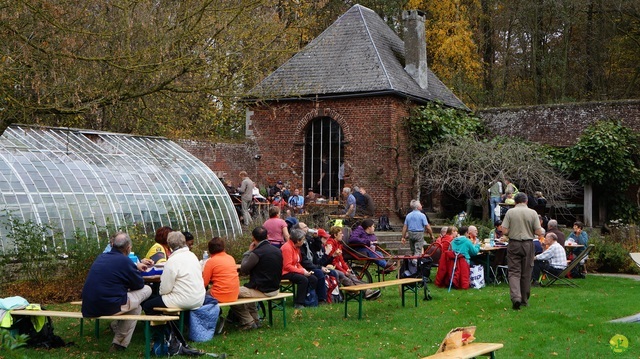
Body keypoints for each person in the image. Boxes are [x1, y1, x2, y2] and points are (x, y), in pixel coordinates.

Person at [81, 232, 153, 352]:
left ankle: (118, 344)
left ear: (112, 244)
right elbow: (139, 285)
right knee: (147, 289)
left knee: (136, 308)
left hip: (89, 306)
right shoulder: (125, 261)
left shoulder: (101, 257)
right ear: (128, 248)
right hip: (109, 305)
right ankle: (117, 332)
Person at [230, 226, 282, 330]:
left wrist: (248, 252)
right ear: (267, 236)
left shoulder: (257, 253)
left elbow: (244, 268)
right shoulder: (277, 251)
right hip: (275, 288)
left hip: (263, 290)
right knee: (248, 290)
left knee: (230, 292)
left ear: (253, 238)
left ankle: (248, 321)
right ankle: (256, 319)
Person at [142, 231, 205, 315]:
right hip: (199, 299)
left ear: (169, 244)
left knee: (148, 305)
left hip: (184, 300)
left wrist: (161, 294)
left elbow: (165, 289)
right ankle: (176, 324)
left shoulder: (172, 260)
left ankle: (162, 327)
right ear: (184, 241)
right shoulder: (193, 256)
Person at [502, 192, 544, 310]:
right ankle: (524, 300)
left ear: (515, 202)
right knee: (526, 272)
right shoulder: (533, 213)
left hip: (514, 243)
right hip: (528, 244)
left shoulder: (510, 212)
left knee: (514, 272)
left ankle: (516, 297)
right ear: (526, 201)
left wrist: (513, 232)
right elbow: (538, 232)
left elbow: (504, 230)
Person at [323, 226, 380, 300]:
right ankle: (364, 291)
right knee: (346, 277)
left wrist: (346, 269)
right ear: (335, 235)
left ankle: (367, 291)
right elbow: (333, 262)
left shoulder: (338, 244)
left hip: (340, 267)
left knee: (352, 275)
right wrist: (344, 271)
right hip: (332, 267)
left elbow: (341, 260)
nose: (343, 235)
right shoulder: (330, 244)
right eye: (340, 233)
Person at [281, 229, 318, 309]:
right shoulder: (287, 248)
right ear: (298, 241)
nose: (304, 241)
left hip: (294, 270)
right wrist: (302, 272)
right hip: (285, 272)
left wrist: (304, 270)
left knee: (313, 278)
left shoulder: (296, 247)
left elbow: (297, 262)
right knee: (303, 279)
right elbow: (287, 266)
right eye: (303, 240)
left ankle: (309, 299)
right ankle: (299, 303)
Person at [294, 223, 328, 304]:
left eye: (307, 226)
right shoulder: (299, 242)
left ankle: (331, 297)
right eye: (305, 227)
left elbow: (318, 248)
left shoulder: (308, 239)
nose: (307, 228)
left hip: (313, 264)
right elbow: (304, 261)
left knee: (332, 272)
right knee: (319, 273)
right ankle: (320, 299)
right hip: (305, 266)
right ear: (299, 230)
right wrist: (319, 267)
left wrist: (316, 238)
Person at [202, 237, 240, 303]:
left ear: (210, 249)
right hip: (234, 295)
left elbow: (204, 283)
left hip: (219, 296)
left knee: (200, 297)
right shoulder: (231, 258)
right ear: (223, 247)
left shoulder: (211, 262)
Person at [401, 200, 434, 264]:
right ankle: (415, 264)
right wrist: (431, 235)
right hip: (419, 233)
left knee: (413, 250)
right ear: (418, 207)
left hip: (410, 233)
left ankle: (413, 263)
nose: (421, 205)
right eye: (420, 204)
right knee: (418, 250)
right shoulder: (422, 215)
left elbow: (405, 227)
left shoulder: (408, 215)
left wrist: (403, 237)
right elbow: (427, 227)